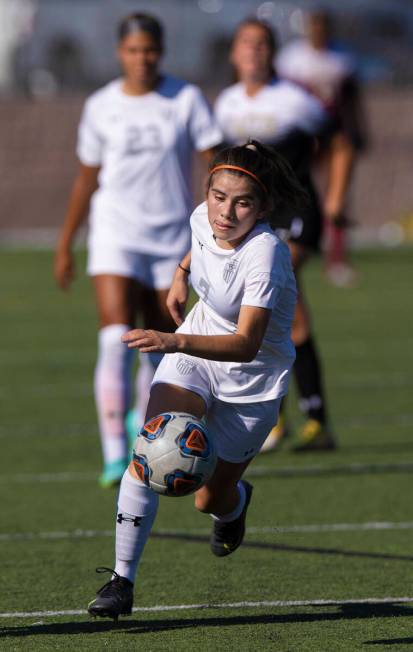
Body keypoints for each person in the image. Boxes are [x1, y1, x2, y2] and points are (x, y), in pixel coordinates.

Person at [87, 141, 303, 619]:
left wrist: (173, 341)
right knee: (152, 446)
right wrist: (183, 271)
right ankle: (122, 580)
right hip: (196, 353)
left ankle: (234, 506)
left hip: (252, 383)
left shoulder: (266, 254)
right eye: (218, 196)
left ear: (263, 207)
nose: (226, 212)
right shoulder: (202, 216)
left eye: (242, 202)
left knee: (209, 498)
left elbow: (247, 343)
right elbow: (202, 238)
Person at [54, 13, 222, 488]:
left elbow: (215, 164)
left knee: (159, 347)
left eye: (150, 49)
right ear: (119, 53)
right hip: (114, 234)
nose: (142, 58)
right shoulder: (101, 105)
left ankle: (142, 426)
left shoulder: (185, 98)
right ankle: (112, 454)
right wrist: (66, 242)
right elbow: (87, 178)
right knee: (114, 336)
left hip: (171, 236)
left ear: (160, 51)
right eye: (133, 50)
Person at [214, 17, 354, 451]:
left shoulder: (295, 100)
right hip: (253, 219)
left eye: (261, 44)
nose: (253, 51)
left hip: (295, 213)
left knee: (273, 301)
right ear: (234, 53)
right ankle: (302, 420)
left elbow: (341, 143)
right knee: (283, 314)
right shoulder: (226, 104)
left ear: (272, 52)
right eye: (246, 43)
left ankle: (289, 420)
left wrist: (334, 198)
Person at [277, 8, 368, 287]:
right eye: (313, 27)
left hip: (332, 136)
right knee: (293, 187)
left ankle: (337, 258)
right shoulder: (291, 58)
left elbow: (352, 99)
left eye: (322, 27)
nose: (318, 32)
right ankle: (286, 245)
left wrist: (357, 131)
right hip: (302, 137)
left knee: (336, 196)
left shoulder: (343, 58)